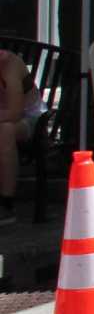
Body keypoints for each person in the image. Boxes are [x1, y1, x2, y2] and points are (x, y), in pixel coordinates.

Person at [0, 48, 26, 226]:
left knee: (5, 130)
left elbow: (16, 112)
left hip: (28, 119)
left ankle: (6, 203)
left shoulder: (9, 64)